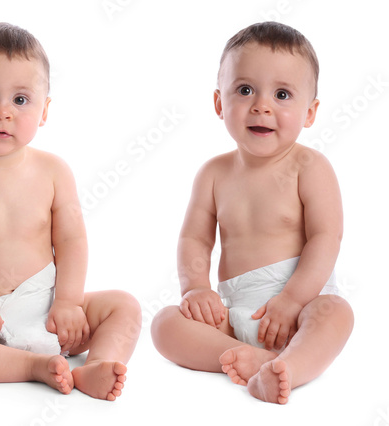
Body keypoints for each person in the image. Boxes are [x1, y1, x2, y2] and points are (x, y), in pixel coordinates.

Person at [0, 22, 141, 401]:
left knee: (124, 305)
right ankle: (30, 367)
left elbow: (70, 240)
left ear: (44, 110)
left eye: (20, 100)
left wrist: (68, 301)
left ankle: (99, 365)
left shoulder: (53, 171)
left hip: (52, 308)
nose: (2, 113)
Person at [151, 22, 354, 404]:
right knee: (164, 325)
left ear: (309, 113)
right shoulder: (213, 173)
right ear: (219, 103)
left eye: (282, 94)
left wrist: (293, 300)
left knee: (337, 313)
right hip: (237, 312)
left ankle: (292, 366)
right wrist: (196, 288)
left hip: (300, 307)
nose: (262, 105)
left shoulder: (310, 167)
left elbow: (327, 238)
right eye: (245, 90)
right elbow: (194, 238)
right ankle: (246, 357)